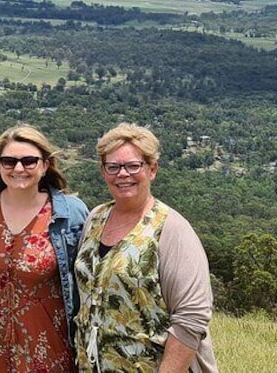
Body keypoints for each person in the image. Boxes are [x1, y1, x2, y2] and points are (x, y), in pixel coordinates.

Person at [73, 123, 218, 372]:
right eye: (113, 167)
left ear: (152, 169)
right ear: (103, 171)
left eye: (133, 166)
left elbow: (191, 319)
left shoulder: (171, 229)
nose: (123, 174)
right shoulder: (96, 218)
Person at [0, 124, 88, 373]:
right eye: (9, 161)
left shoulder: (70, 213)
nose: (18, 169)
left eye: (29, 161)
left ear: (45, 165)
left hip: (48, 347)